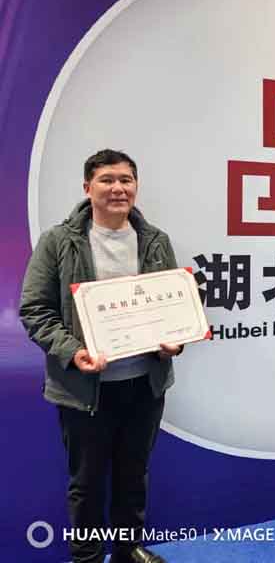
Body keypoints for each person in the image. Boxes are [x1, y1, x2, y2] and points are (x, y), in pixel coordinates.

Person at [20, 149, 181, 563]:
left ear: (136, 186)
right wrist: (74, 352)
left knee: (133, 475)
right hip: (85, 388)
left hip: (144, 384)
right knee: (88, 483)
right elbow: (35, 310)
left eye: (126, 180)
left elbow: (171, 306)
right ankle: (87, 557)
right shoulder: (59, 242)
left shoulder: (156, 241)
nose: (118, 188)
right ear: (87, 187)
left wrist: (175, 340)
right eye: (107, 180)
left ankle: (128, 550)